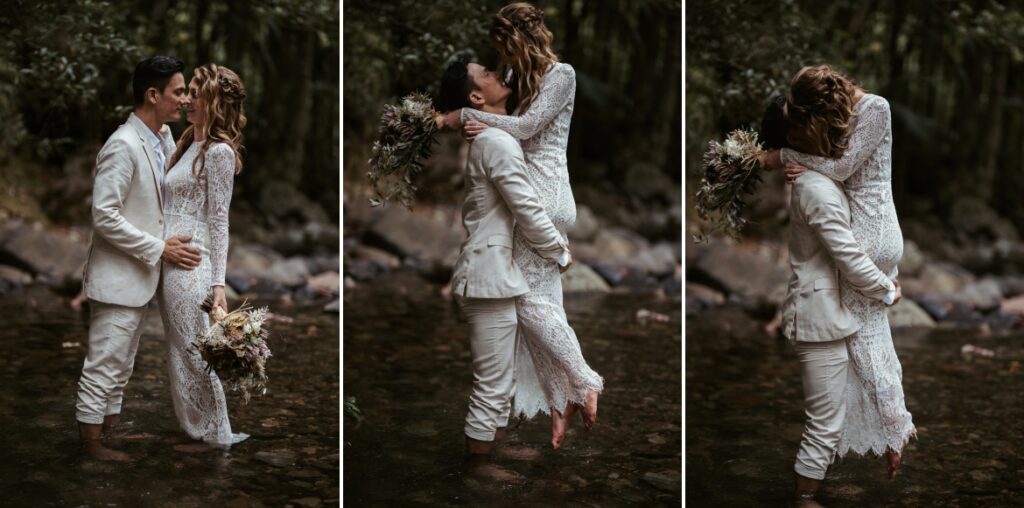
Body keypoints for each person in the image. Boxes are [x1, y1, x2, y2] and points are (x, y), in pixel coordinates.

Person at [439, 2, 602, 450]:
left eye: (501, 54)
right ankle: (559, 400)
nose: (499, 67)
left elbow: (527, 128)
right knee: (547, 305)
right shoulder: (522, 80)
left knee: (528, 302)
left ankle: (585, 381)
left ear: (514, 42)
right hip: (542, 195)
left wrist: (466, 116)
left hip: (543, 194)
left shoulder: (560, 74)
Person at [761, 65, 916, 480]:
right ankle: (890, 423)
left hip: (866, 233)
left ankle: (892, 424)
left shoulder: (875, 109)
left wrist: (781, 157)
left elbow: (842, 168)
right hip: (882, 231)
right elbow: (837, 162)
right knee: (873, 337)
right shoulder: (854, 112)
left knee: (865, 343)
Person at [438, 55, 572, 479]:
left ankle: (490, 452)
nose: (500, 74)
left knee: (502, 379)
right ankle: (477, 469)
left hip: (494, 271)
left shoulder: (493, 135)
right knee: (492, 384)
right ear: (477, 96)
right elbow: (526, 208)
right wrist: (558, 250)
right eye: (488, 74)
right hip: (488, 273)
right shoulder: (494, 142)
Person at [76, 55, 200, 461]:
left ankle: (107, 438)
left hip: (141, 278)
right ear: (153, 94)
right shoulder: (122, 145)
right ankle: (91, 449)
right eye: (178, 91)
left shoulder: (162, 137)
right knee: (103, 367)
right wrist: (159, 247)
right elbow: (103, 216)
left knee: (123, 369)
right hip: (117, 277)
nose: (184, 98)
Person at [159, 63, 249, 451]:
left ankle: (216, 435)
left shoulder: (219, 153)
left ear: (214, 102)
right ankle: (199, 430)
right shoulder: (186, 144)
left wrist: (218, 287)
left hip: (192, 265)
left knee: (196, 353)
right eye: (189, 91)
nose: (188, 99)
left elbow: (219, 223)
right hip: (168, 262)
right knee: (180, 351)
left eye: (197, 93)